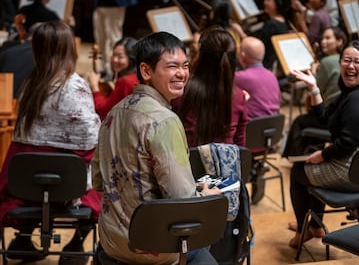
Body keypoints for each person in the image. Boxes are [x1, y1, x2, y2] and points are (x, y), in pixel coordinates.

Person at [93, 31, 221, 264]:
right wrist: (206, 193)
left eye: (185, 65)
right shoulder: (164, 120)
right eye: (172, 66)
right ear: (146, 71)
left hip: (111, 242)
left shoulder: (113, 113)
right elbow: (182, 199)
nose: (182, 73)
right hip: (151, 247)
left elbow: (99, 181)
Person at [0, 21, 101, 264]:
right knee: (104, 176)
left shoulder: (29, 86)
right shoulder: (76, 86)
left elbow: (21, 146)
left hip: (26, 186)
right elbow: (92, 142)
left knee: (34, 166)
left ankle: (23, 237)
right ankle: (76, 242)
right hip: (70, 189)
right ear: (70, 50)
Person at [287, 40, 359, 248]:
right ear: (340, 63)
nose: (351, 66)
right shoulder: (351, 93)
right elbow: (325, 120)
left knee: (298, 172)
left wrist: (323, 155)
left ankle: (305, 230)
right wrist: (314, 88)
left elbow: (348, 142)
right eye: (346, 60)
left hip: (354, 169)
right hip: (358, 164)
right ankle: (315, 226)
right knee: (310, 168)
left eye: (357, 62)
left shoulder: (356, 100)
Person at [172, 27, 248, 147]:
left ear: (201, 56)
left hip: (187, 163)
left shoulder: (181, 90)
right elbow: (240, 145)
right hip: (225, 164)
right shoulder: (239, 96)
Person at [282, 26, 347, 157]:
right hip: (342, 114)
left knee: (299, 121)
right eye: (323, 38)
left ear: (340, 41)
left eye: (328, 38)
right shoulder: (344, 59)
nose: (323, 41)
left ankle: (296, 158)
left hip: (331, 116)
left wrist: (314, 70)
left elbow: (315, 88)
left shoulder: (327, 61)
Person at [87, 36, 140, 120]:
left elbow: (104, 110)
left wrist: (94, 87)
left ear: (132, 58)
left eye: (120, 56)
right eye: (114, 55)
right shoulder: (138, 76)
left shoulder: (126, 81)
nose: (115, 60)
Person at [93, 0, 137, 80]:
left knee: (114, 40)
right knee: (100, 39)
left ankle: (114, 70)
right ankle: (105, 68)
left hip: (115, 1)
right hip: (100, 1)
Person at [235, 36, 281, 120]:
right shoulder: (272, 76)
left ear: (242, 55)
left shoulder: (239, 77)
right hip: (273, 126)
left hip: (250, 128)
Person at [253, 0, 291, 71]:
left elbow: (255, 48)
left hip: (265, 66)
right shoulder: (283, 20)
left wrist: (240, 31)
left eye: (268, 0)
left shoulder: (272, 24)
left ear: (278, 3)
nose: (265, 2)